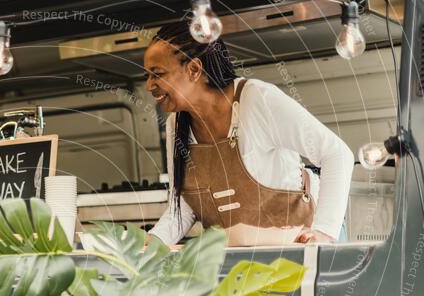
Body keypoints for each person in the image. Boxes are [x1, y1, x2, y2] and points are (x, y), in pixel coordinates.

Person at [144, 19, 354, 247]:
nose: (149, 85)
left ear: (194, 69)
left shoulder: (257, 99)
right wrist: (153, 243)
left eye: (157, 74)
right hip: (240, 257)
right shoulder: (177, 124)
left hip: (301, 242)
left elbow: (337, 153)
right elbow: (184, 205)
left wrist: (323, 232)